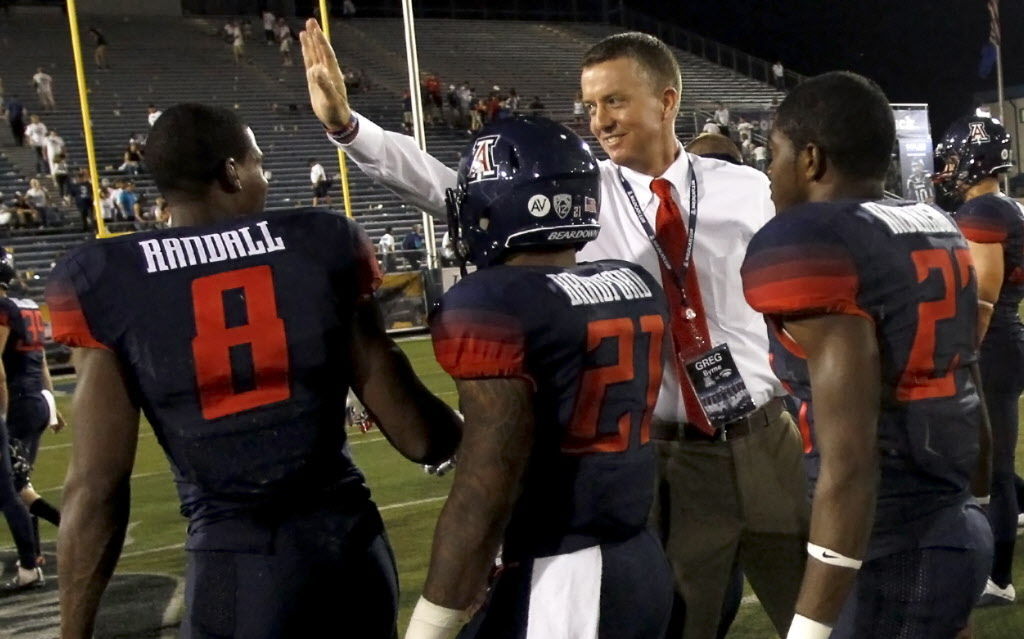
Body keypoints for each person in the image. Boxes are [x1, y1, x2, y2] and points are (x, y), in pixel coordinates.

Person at [300, 21, 809, 639]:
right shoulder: (580, 194)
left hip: (767, 438)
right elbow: (453, 190)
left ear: (668, 99)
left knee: (829, 615)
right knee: (684, 625)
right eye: (590, 105)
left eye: (615, 100)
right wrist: (351, 129)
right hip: (670, 456)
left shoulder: (748, 187)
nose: (599, 120)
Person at [46, 103, 462, 639]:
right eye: (259, 163)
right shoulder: (320, 241)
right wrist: (474, 427)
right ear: (230, 172)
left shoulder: (106, 276)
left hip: (236, 562)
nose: (264, 177)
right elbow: (419, 437)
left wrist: (73, 630)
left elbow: (97, 485)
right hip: (351, 554)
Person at [740, 71, 992, 638]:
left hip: (888, 544)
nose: (769, 171)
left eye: (775, 154)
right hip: (949, 524)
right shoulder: (936, 225)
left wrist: (806, 631)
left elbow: (849, 461)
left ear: (810, 159)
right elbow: (965, 377)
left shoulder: (811, 240)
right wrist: (972, 505)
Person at [407, 115, 673, 639]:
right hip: (636, 555)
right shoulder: (634, 280)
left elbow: (485, 487)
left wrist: (430, 623)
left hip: (565, 575)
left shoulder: (493, 302)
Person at [935, 114, 1024, 606]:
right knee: (992, 456)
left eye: (952, 160)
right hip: (1004, 343)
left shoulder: (986, 211)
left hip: (990, 347)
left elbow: (984, 297)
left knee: (991, 466)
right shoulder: (1002, 206)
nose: (948, 170)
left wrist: (960, 354)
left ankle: (998, 580)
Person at [0, 250, 48, 592]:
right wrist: (50, 398)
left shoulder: (4, 310)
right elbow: (41, 355)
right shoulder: (26, 305)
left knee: (14, 489)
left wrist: (1, 415)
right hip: (35, 399)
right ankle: (34, 556)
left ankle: (32, 560)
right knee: (20, 485)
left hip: (15, 403)